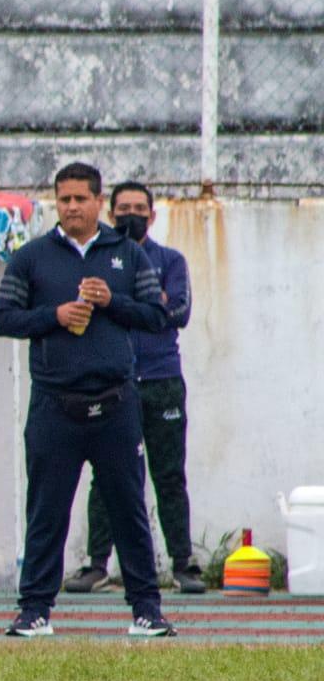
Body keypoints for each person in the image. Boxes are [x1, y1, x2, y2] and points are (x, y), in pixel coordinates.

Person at [0, 161, 173, 637]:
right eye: (64, 199)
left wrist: (112, 301)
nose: (71, 207)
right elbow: (3, 319)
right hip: (54, 405)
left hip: (116, 403)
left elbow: (157, 316)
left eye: (80, 199)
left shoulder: (129, 255)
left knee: (128, 507)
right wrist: (54, 314)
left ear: (99, 202)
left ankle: (147, 611)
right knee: (46, 509)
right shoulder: (31, 256)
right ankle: (34, 611)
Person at [66, 180, 202, 594]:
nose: (130, 215)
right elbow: (94, 311)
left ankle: (183, 564)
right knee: (106, 474)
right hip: (114, 383)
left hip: (162, 382)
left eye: (139, 208)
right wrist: (142, 304)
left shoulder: (171, 260)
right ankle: (96, 564)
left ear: (152, 215)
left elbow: (176, 311)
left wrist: (133, 303)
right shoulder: (101, 260)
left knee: (168, 473)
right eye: (123, 208)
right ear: (111, 214)